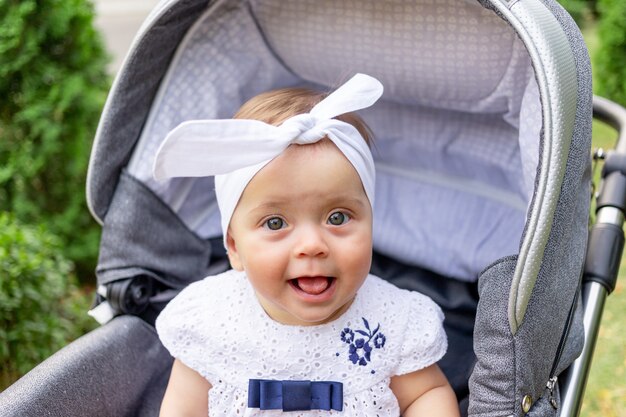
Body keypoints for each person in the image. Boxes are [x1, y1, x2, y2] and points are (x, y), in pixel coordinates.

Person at [153, 74, 460, 416]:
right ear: (235, 247)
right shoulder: (210, 321)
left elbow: (424, 394)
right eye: (275, 223)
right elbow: (183, 409)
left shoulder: (392, 322)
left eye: (338, 218)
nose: (312, 246)